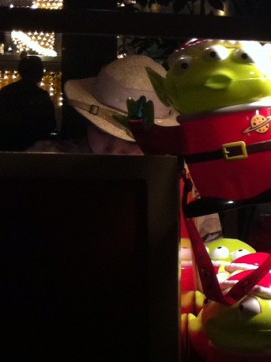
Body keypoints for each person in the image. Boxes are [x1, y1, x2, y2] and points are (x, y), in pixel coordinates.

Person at [30, 54, 222, 241]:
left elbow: (213, 251)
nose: (113, 150)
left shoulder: (184, 180)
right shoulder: (46, 163)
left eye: (131, 141)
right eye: (101, 132)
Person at [0, 53, 57, 151]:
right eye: (40, 70)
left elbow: (1, 116)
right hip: (32, 145)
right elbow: (50, 123)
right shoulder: (41, 95)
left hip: (9, 143)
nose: (42, 73)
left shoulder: (8, 91)